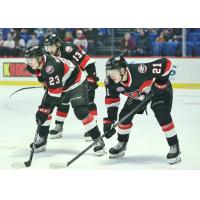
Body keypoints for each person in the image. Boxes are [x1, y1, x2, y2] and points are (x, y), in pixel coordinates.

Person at [24, 45, 105, 156]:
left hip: (76, 82)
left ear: (39, 58)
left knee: (81, 112)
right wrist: (47, 84)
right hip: (62, 84)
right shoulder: (36, 65)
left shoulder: (51, 66)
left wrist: (44, 108)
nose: (28, 62)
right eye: (27, 59)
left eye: (31, 59)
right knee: (44, 110)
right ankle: (42, 140)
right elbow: (43, 78)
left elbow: (54, 94)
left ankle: (98, 140)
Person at [103, 56, 181, 165]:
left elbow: (166, 63)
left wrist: (160, 83)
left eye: (112, 72)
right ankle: (122, 144)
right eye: (108, 72)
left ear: (122, 70)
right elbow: (112, 100)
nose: (109, 75)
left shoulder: (140, 70)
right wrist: (110, 120)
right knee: (124, 118)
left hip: (158, 91)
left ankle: (174, 146)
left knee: (162, 114)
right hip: (138, 95)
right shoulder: (110, 82)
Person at [44, 32, 99, 141]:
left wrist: (91, 78)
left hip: (82, 78)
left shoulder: (69, 49)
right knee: (62, 101)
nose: (49, 49)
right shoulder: (49, 56)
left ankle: (92, 127)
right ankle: (59, 126)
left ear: (58, 44)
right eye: (47, 47)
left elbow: (88, 62)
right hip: (66, 81)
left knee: (88, 102)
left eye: (51, 46)